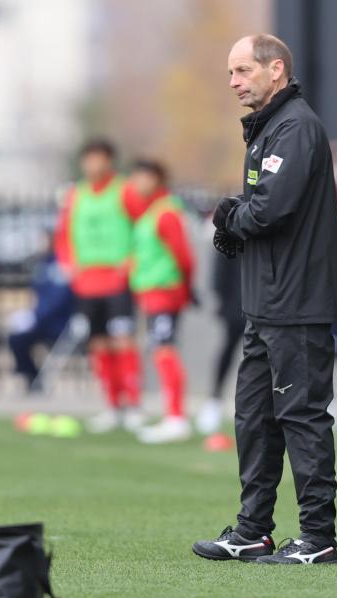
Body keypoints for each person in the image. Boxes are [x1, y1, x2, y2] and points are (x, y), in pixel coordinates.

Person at [193, 33, 337, 565]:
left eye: (243, 70)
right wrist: (238, 215)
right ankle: (252, 531)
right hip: (267, 304)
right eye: (231, 73)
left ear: (276, 69)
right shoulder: (269, 128)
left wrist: (228, 216)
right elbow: (262, 207)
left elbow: (268, 210)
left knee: (302, 417)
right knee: (254, 419)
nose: (234, 82)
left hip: (298, 302)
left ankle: (318, 538)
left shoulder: (295, 127)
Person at [54, 139, 143, 434]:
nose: (93, 165)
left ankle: (133, 405)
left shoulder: (124, 190)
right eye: (88, 159)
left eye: (98, 158)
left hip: (117, 281)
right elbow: (63, 234)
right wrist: (69, 264)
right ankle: (112, 406)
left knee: (123, 341)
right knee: (98, 344)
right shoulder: (75, 195)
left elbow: (143, 226)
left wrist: (131, 261)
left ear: (109, 161)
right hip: (87, 284)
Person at [124, 160, 195, 444]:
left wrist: (185, 288)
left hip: (165, 291)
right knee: (161, 351)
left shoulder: (165, 213)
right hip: (153, 293)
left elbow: (183, 255)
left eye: (142, 177)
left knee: (165, 351)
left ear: (156, 179)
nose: (136, 184)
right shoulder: (150, 212)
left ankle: (176, 417)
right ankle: (172, 415)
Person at [7, 234, 74, 392]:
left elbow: (61, 299)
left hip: (59, 324)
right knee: (17, 340)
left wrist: (39, 316)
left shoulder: (63, 264)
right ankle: (32, 377)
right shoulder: (41, 265)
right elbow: (36, 296)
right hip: (40, 322)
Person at [197, 251, 243, 435]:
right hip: (236, 306)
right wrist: (222, 301)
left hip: (264, 307)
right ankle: (214, 400)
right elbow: (219, 270)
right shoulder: (232, 238)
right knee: (228, 352)